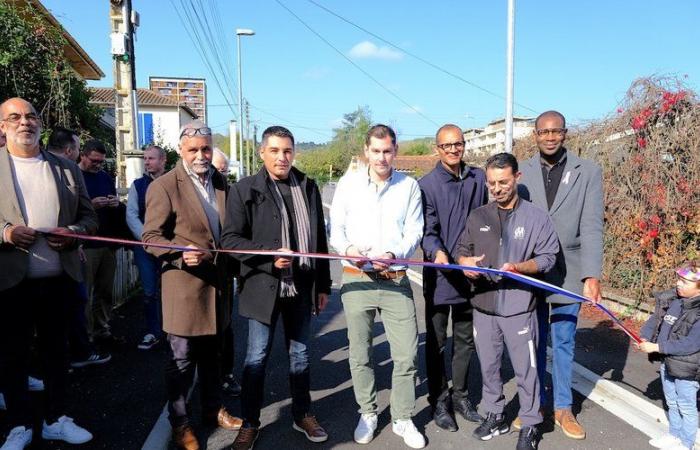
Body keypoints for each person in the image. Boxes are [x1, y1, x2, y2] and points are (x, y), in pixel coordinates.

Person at [221, 126, 331, 450]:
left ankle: (302, 414)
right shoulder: (244, 189)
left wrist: (323, 284)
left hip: (301, 287)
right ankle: (251, 423)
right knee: (256, 358)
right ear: (262, 153)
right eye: (275, 151)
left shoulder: (308, 186)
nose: (282, 157)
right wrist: (270, 258)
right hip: (262, 287)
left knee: (300, 355)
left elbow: (319, 241)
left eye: (287, 151)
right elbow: (230, 241)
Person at [0, 97, 97, 449]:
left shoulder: (66, 169)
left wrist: (74, 233)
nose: (24, 122)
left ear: (40, 123)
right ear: (2, 126)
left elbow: (90, 219)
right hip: (11, 281)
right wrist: (6, 232)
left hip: (60, 279)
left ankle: (57, 418)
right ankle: (19, 425)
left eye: (31, 116)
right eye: (14, 117)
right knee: (14, 355)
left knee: (58, 353)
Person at [142, 120, 241, 449]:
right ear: (181, 151)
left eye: (206, 149)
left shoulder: (221, 182)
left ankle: (213, 410)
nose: (201, 155)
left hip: (217, 287)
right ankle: (180, 423)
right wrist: (180, 252)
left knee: (213, 357)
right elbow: (150, 239)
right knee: (182, 361)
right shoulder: (165, 186)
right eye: (193, 150)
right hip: (184, 288)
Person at [330, 124, 426, 449]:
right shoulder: (348, 184)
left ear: (395, 151)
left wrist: (395, 253)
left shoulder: (409, 186)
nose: (382, 157)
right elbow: (336, 230)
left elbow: (415, 230)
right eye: (376, 151)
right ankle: (368, 412)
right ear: (366, 152)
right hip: (357, 280)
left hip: (395, 279)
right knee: (360, 354)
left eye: (387, 151)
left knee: (407, 354)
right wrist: (349, 251)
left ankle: (402, 417)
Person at [456, 152, 559, 450]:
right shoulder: (478, 216)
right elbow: (462, 251)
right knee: (488, 366)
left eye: (503, 182)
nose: (497, 188)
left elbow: (548, 258)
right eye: (492, 183)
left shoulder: (536, 217)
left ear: (517, 177)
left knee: (526, 371)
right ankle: (496, 414)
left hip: (519, 307)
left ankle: (530, 423)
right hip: (483, 306)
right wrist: (467, 264)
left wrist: (518, 267)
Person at [517, 110, 604, 440]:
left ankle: (564, 407)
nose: (550, 137)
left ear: (565, 133)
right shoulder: (521, 171)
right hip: (532, 271)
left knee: (564, 341)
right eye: (544, 132)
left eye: (556, 131)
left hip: (570, 270)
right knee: (533, 341)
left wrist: (592, 274)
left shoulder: (588, 171)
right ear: (535, 135)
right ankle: (535, 406)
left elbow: (593, 225)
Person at [418, 124, 487, 431]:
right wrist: (437, 252)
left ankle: (461, 394)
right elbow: (427, 231)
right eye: (447, 146)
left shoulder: (478, 178)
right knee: (436, 342)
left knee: (464, 340)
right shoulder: (427, 185)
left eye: (458, 144)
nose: (454, 150)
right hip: (441, 275)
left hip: (471, 274)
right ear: (438, 149)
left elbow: (488, 219)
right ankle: (439, 400)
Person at [47, 128, 111, 368]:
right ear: (72, 151)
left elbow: (85, 216)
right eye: (93, 160)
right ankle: (73, 353)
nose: (97, 165)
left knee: (79, 299)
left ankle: (76, 351)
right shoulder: (60, 172)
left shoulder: (79, 173)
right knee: (76, 302)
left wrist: (74, 236)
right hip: (51, 258)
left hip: (77, 248)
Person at [639, 262, 700, 450]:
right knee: (672, 402)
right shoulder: (674, 302)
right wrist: (645, 336)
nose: (678, 284)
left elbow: (691, 344)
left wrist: (657, 346)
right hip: (669, 362)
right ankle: (674, 435)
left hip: (688, 369)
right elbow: (655, 321)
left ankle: (686, 443)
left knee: (686, 406)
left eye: (685, 282)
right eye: (678, 280)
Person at [78, 139, 121, 342]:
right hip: (85, 245)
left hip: (107, 242)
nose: (98, 165)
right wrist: (91, 206)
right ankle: (86, 336)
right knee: (85, 293)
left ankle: (102, 329)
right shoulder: (75, 176)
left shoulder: (104, 177)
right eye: (94, 161)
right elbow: (69, 210)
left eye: (101, 161)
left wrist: (115, 203)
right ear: (83, 155)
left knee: (105, 291)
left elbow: (115, 201)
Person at [126, 144, 166, 350]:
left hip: (170, 246)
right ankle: (153, 331)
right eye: (145, 158)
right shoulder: (138, 185)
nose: (147, 162)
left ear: (163, 160)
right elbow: (131, 214)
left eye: (151, 158)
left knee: (170, 290)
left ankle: (172, 331)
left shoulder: (174, 183)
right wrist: (147, 239)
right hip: (145, 248)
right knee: (149, 291)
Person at [210, 146, 242, 396]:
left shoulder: (228, 192)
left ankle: (226, 374)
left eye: (223, 170)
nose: (219, 173)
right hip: (195, 271)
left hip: (223, 271)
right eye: (216, 169)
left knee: (225, 325)